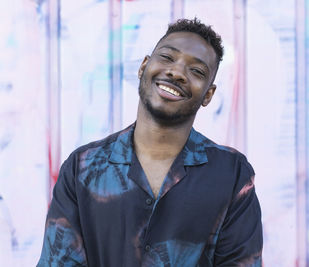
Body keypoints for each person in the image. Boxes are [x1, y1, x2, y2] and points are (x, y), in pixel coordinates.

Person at [37, 18, 263, 267]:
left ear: (208, 94)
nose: (177, 72)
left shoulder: (231, 175)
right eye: (167, 57)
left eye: (197, 71)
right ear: (144, 66)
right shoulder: (83, 167)